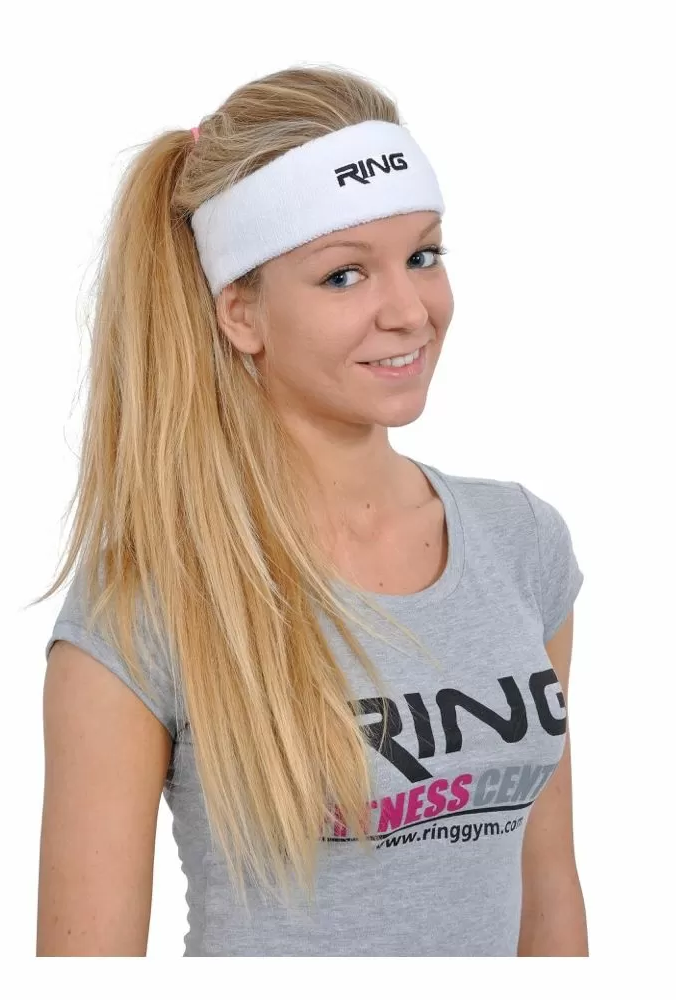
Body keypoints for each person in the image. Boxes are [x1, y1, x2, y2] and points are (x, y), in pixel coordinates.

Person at [34, 64, 586, 957]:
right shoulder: (146, 605)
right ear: (241, 314)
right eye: (344, 275)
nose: (409, 310)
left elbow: (549, 901)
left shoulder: (522, 545)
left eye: (423, 256)